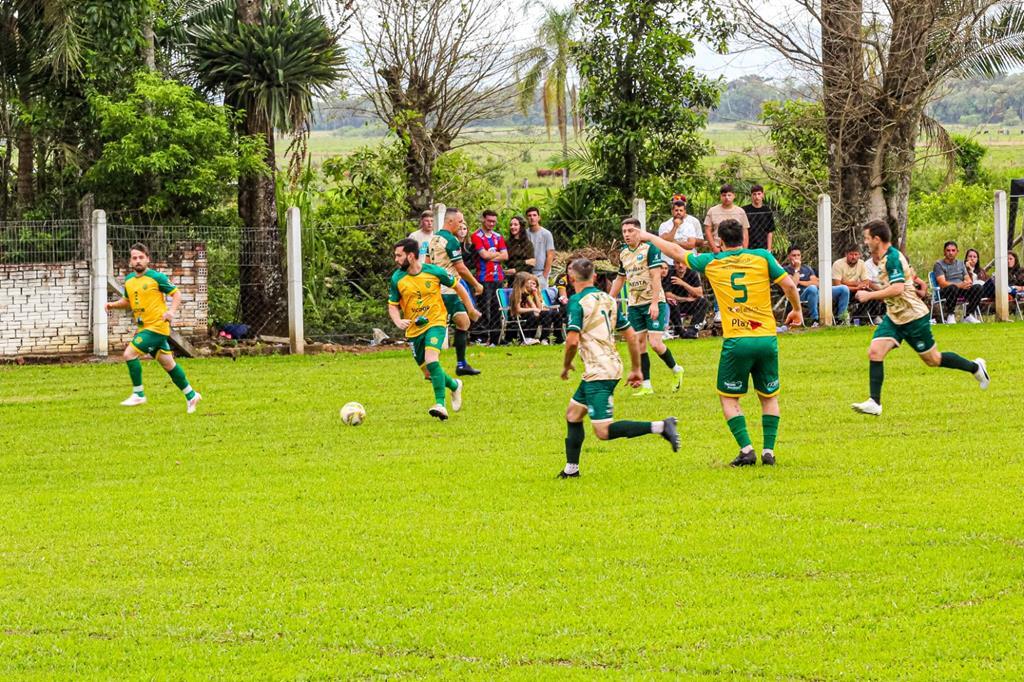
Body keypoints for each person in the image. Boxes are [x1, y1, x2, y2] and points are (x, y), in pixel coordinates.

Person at [636, 219, 803, 467]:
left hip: (738, 339)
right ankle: (769, 451)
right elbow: (789, 284)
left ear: (720, 241)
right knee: (768, 396)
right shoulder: (762, 256)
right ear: (743, 239)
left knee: (728, 397)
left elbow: (676, 252)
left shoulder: (712, 262)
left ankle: (747, 450)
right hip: (767, 337)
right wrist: (797, 310)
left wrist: (648, 236)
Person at [558, 257, 680, 478]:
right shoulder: (609, 299)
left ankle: (662, 426)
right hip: (609, 365)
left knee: (603, 431)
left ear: (571, 277)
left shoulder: (576, 302)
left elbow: (572, 341)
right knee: (573, 414)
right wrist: (636, 369)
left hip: (599, 371)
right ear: (594, 276)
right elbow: (632, 337)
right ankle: (571, 470)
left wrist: (566, 365)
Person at [851, 221, 989, 417]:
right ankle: (875, 402)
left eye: (866, 238)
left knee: (933, 360)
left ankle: (976, 367)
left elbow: (898, 288)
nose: (865, 242)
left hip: (914, 317)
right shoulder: (883, 259)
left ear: (877, 239)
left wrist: (869, 295)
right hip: (895, 316)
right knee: (875, 352)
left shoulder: (892, 259)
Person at [104, 243, 201, 413]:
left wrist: (171, 312)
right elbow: (128, 301)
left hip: (157, 327)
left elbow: (176, 294)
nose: (138, 261)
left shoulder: (157, 278)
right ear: (130, 262)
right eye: (135, 258)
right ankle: (191, 395)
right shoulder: (129, 281)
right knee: (169, 365)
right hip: (145, 328)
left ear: (148, 259)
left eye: (141, 257)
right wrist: (112, 305)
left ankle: (138, 394)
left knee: (129, 354)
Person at [388, 239, 476, 420]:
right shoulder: (397, 278)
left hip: (436, 322)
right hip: (413, 330)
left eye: (399, 255)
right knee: (429, 372)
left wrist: (471, 309)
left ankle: (440, 404)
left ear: (411, 256)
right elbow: (392, 305)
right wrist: (397, 321)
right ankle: (454, 385)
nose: (396, 259)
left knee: (431, 359)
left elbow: (458, 286)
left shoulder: (434, 271)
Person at [610, 218, 684, 395]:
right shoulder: (624, 253)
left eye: (631, 231)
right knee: (639, 344)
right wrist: (609, 298)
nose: (627, 234)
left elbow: (656, 276)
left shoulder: (651, 248)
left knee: (656, 344)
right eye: (624, 231)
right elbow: (621, 278)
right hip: (635, 304)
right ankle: (647, 386)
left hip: (654, 302)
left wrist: (654, 303)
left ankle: (676, 369)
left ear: (639, 231)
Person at [425, 207, 484, 376]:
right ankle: (433, 363)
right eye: (459, 222)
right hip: (449, 290)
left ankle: (461, 364)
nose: (461, 225)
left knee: (462, 322)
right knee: (443, 326)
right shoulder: (450, 240)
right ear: (449, 221)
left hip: (438, 289)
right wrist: (476, 284)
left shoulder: (434, 239)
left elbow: (427, 264)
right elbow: (461, 268)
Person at [784, 246, 851, 325]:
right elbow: (793, 285)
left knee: (844, 289)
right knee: (812, 288)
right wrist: (797, 269)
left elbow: (817, 283)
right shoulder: (785, 270)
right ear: (788, 256)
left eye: (798, 255)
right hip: (799, 296)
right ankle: (815, 320)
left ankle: (842, 319)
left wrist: (800, 281)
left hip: (817, 293)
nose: (797, 257)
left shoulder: (807, 268)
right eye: (794, 255)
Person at [471, 210, 508, 345]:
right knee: (483, 308)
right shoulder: (476, 236)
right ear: (483, 220)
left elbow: (505, 256)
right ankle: (480, 337)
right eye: (489, 221)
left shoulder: (498, 237)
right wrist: (497, 254)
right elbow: (483, 255)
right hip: (483, 277)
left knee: (496, 308)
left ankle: (495, 338)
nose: (492, 224)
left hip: (498, 277)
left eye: (494, 221)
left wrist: (491, 255)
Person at [932, 240, 982, 324]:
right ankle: (950, 315)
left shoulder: (961, 263)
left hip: (961, 290)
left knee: (978, 287)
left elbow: (968, 279)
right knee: (953, 287)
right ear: (944, 252)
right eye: (948, 250)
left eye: (953, 250)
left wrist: (967, 283)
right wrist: (960, 285)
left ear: (957, 252)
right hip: (947, 291)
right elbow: (942, 283)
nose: (950, 253)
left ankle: (968, 315)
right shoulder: (939, 264)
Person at [511, 272, 563, 344]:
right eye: (528, 282)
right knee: (533, 313)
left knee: (554, 313)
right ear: (523, 282)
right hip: (519, 315)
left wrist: (536, 308)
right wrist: (534, 310)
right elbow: (518, 309)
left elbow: (535, 307)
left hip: (531, 314)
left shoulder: (527, 294)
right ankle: (528, 338)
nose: (530, 284)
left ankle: (549, 339)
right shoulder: (518, 293)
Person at [663, 259, 710, 337]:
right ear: (674, 263)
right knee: (672, 301)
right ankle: (680, 331)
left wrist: (683, 283)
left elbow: (699, 293)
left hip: (688, 305)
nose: (681, 266)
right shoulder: (669, 272)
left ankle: (692, 331)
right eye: (678, 263)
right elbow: (668, 295)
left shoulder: (691, 272)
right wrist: (686, 299)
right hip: (673, 305)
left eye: (683, 263)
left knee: (703, 302)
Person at [832, 245, 881, 322]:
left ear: (859, 255)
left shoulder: (861, 263)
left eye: (856, 254)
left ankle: (862, 318)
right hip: (842, 292)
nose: (853, 257)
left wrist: (847, 283)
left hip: (855, 291)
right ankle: (841, 320)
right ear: (846, 254)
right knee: (844, 290)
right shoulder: (838, 264)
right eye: (851, 254)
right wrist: (856, 286)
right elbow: (837, 285)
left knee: (873, 294)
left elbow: (866, 281)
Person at [657, 194, 706, 266]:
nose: (678, 212)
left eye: (681, 210)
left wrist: (674, 243)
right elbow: (663, 242)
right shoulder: (664, 225)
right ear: (672, 211)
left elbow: (691, 245)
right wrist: (675, 227)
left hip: (686, 262)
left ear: (685, 210)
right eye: (676, 210)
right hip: (668, 263)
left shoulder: (691, 224)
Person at [704, 184, 750, 254]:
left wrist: (744, 249)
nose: (726, 197)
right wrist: (714, 248)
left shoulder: (740, 211)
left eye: (729, 195)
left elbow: (745, 231)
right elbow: (707, 230)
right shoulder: (712, 211)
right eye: (724, 195)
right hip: (719, 248)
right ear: (720, 196)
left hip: (737, 250)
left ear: (734, 196)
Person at [525, 206, 556, 289]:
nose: (532, 218)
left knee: (541, 299)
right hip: (527, 273)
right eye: (529, 215)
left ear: (539, 217)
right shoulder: (524, 234)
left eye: (534, 215)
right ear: (526, 218)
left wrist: (544, 276)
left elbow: (550, 256)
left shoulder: (546, 234)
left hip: (541, 273)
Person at [742, 184, 775, 251]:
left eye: (759, 194)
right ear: (751, 196)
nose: (757, 196)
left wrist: (769, 249)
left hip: (763, 248)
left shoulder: (767, 211)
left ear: (763, 195)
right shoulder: (744, 210)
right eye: (754, 194)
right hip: (747, 247)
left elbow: (770, 232)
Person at [504, 215, 535, 281]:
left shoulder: (528, 243)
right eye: (511, 225)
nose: (512, 227)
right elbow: (508, 262)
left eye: (515, 225)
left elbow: (531, 264)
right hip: (512, 278)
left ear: (521, 226)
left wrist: (516, 270)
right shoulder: (507, 243)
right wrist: (525, 262)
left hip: (526, 278)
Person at [962, 248, 988, 322]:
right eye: (970, 256)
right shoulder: (962, 269)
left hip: (982, 292)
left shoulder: (981, 271)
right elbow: (967, 282)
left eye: (974, 257)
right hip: (967, 291)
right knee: (978, 287)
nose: (972, 258)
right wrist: (969, 270)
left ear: (977, 259)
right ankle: (968, 314)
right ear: (966, 258)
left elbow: (986, 281)